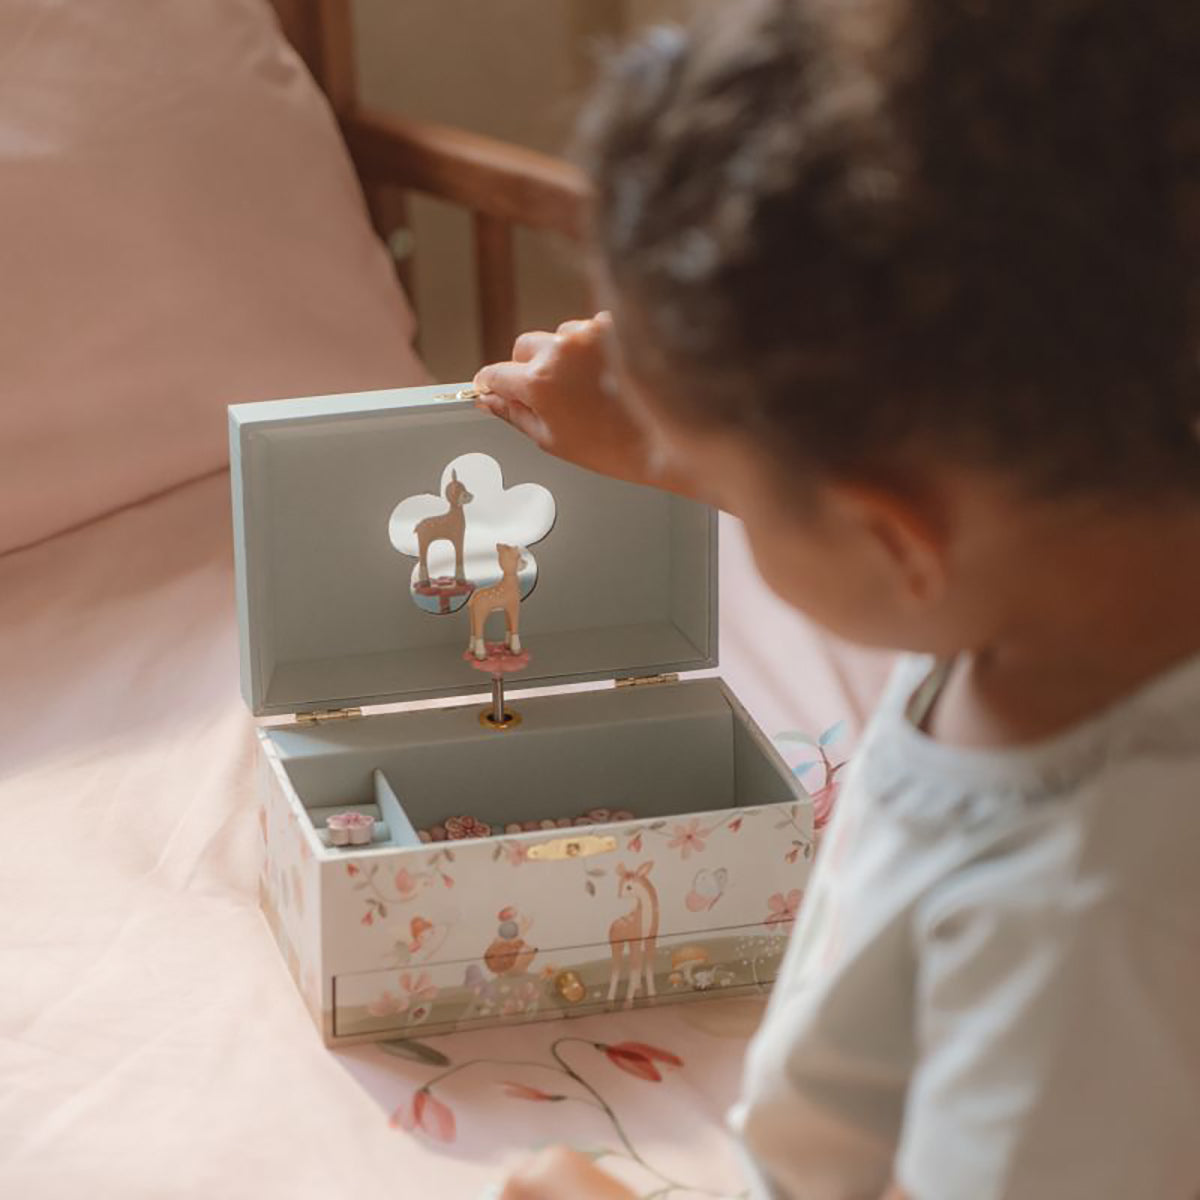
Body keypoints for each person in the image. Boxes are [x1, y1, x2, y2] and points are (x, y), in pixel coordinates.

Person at [485, 1, 1200, 1196]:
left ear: (894, 538)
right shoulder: (1087, 520)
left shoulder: (1089, 929)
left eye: (726, 488)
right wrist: (683, 426)